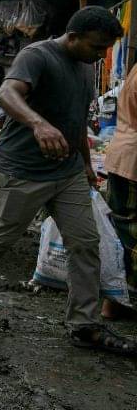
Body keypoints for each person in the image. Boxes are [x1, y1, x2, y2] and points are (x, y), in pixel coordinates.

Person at [0, 8, 136, 354]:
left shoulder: (85, 66)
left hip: (67, 172)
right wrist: (38, 124)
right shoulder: (37, 55)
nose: (101, 55)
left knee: (85, 242)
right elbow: (7, 94)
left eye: (105, 49)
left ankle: (84, 324)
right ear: (74, 36)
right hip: (20, 169)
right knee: (2, 234)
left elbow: (75, 120)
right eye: (97, 47)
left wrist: (85, 163)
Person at [105, 63, 137, 321]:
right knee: (129, 232)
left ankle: (114, 302)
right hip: (131, 161)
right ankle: (119, 301)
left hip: (123, 156)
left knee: (122, 230)